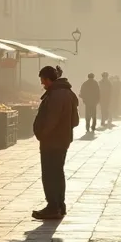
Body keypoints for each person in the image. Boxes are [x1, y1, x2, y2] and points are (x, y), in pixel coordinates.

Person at [32, 65, 78, 220]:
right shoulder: (68, 93)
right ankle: (59, 205)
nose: (42, 84)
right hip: (63, 140)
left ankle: (52, 206)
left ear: (48, 79)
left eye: (43, 80)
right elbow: (75, 121)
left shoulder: (56, 95)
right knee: (58, 172)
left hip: (51, 141)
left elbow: (51, 119)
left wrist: (42, 133)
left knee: (49, 174)